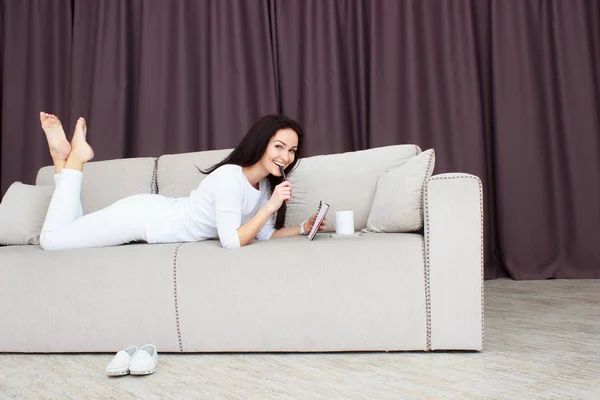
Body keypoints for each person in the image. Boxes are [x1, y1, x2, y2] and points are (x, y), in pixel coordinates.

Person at [38, 112, 327, 251]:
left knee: (67, 230)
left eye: (291, 150)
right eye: (279, 146)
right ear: (261, 143)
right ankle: (75, 160)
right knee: (51, 241)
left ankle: (62, 160)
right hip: (141, 218)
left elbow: (261, 234)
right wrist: (272, 206)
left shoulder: (265, 187)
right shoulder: (229, 178)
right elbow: (231, 242)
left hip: (154, 212)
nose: (286, 156)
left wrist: (302, 228)